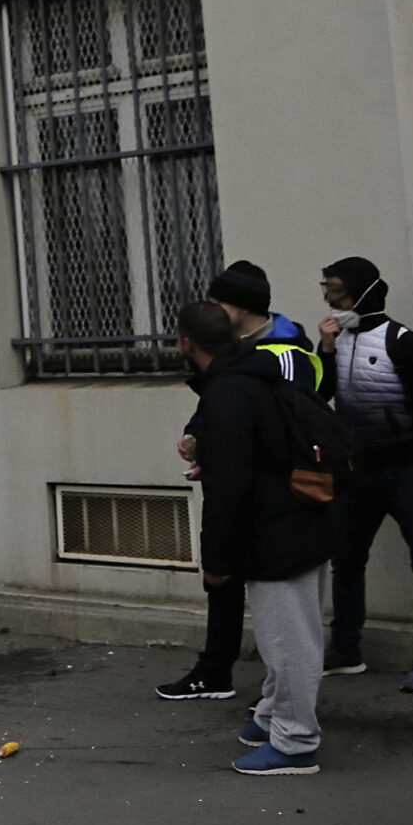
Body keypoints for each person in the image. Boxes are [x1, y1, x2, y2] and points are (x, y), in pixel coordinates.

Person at [176, 301, 331, 775]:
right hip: (305, 517)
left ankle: (295, 743)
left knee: (289, 643)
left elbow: (229, 487)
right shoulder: (260, 372)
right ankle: (271, 718)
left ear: (186, 343)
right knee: (290, 637)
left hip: (276, 530)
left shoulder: (227, 393)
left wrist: (216, 561)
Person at [157, 262, 325, 703]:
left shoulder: (282, 354)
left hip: (275, 507)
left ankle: (288, 723)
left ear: (236, 306)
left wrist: (224, 455)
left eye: (218, 301)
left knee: (284, 628)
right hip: (255, 496)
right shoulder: (236, 357)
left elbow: (289, 426)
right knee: (243, 595)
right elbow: (220, 408)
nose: (212, 308)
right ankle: (221, 673)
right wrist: (202, 442)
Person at [316, 255, 413, 693]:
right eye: (325, 289)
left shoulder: (403, 341)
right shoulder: (336, 340)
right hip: (357, 472)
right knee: (347, 562)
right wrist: (324, 350)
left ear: (360, 290)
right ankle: (346, 649)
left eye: (335, 289)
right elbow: (318, 397)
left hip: (408, 470)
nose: (328, 298)